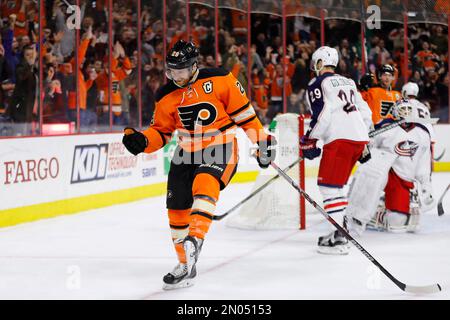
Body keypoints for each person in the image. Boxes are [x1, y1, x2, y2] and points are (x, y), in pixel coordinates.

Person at [121, 40, 276, 289]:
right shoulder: (165, 95)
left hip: (221, 145)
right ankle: (186, 264)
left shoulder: (221, 79)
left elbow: (245, 115)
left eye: (180, 70)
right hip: (185, 152)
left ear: (194, 66)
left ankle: (196, 239)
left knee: (205, 181)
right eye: (171, 70)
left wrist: (262, 141)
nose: (175, 76)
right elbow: (160, 132)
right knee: (176, 207)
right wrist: (142, 140)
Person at [300, 46, 372, 255]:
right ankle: (338, 231)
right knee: (337, 185)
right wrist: (365, 140)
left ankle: (340, 237)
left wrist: (309, 139)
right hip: (358, 138)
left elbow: (323, 114)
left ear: (320, 63)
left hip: (340, 139)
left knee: (328, 187)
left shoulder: (318, 83)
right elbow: (365, 111)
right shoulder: (349, 81)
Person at [345, 99, 434, 234]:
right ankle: (357, 213)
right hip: (385, 171)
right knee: (374, 170)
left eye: (408, 110)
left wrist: (426, 185)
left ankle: (378, 213)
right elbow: (369, 147)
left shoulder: (422, 133)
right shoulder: (384, 126)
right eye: (402, 110)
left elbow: (423, 164)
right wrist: (366, 142)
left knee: (396, 224)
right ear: (394, 112)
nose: (405, 113)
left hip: (403, 178)